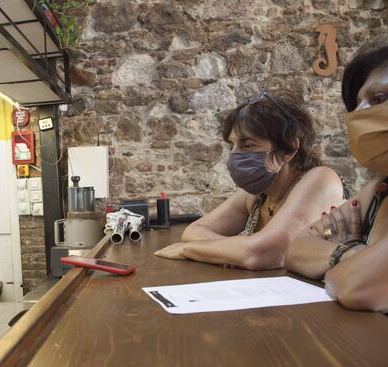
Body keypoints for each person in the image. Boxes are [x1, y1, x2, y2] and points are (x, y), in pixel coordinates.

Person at [155, 90, 346, 270]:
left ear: (288, 148)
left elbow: (267, 253)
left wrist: (191, 250)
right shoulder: (257, 194)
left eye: (247, 145)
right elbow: (193, 231)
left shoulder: (320, 179)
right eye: (232, 145)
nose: (233, 156)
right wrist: (236, 252)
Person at [284, 37, 388, 313]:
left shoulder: (320, 178)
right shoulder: (380, 190)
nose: (359, 115)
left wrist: (338, 262)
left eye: (379, 98)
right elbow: (296, 250)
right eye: (356, 105)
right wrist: (348, 253)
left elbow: (356, 285)